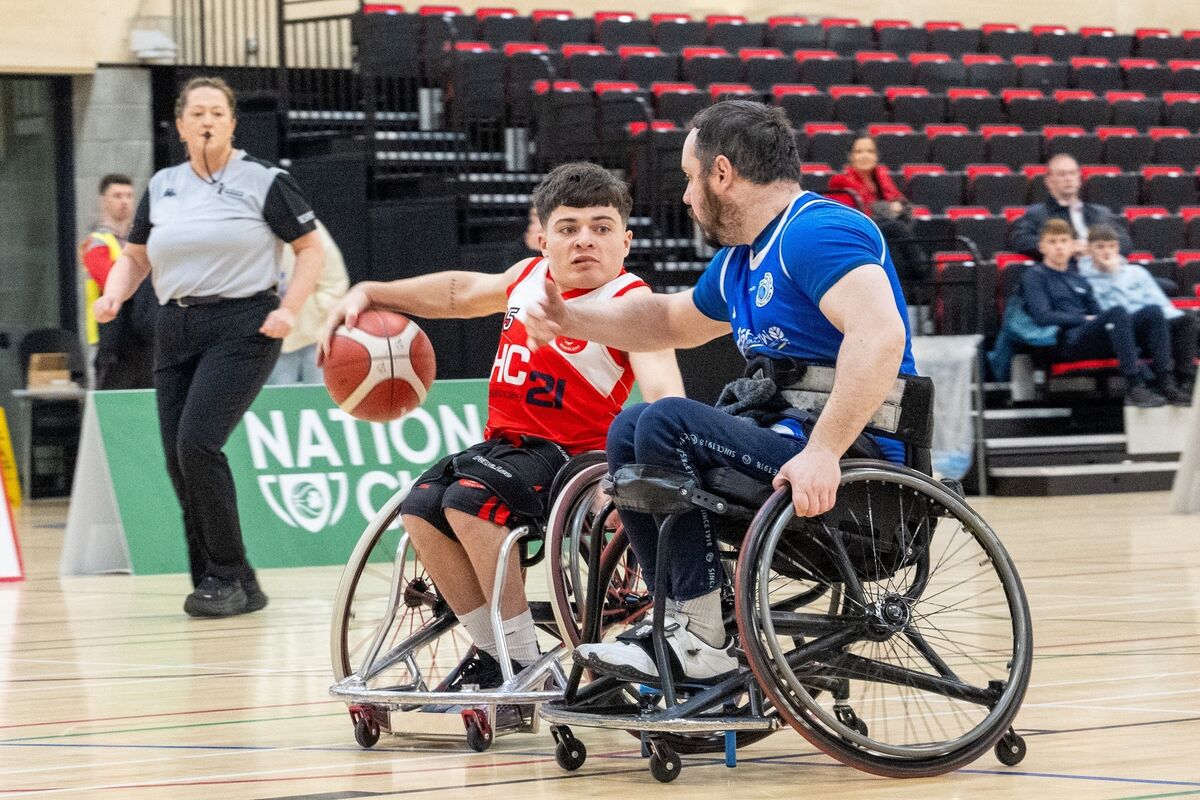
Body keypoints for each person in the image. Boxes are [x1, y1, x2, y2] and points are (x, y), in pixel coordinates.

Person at [523, 100, 919, 685]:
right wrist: (572, 320)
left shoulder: (817, 231)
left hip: (859, 461)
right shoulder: (742, 260)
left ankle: (701, 636)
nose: (686, 196)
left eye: (689, 177)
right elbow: (667, 321)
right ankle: (676, 623)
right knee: (630, 428)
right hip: (790, 439)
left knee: (667, 422)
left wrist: (825, 452)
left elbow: (880, 334)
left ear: (722, 173)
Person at [320, 162, 684, 687]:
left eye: (601, 228)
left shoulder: (633, 304)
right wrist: (374, 292)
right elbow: (457, 293)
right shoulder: (527, 277)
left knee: (471, 501)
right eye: (568, 229)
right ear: (544, 241)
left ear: (625, 242)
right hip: (506, 448)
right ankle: (496, 655)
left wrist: (642, 474)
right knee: (420, 506)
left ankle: (520, 660)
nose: (585, 241)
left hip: (572, 459)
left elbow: (663, 392)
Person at [94, 76, 324, 617]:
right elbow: (136, 256)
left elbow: (309, 249)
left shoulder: (265, 181)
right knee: (179, 460)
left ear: (231, 123)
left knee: (198, 444)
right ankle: (232, 578)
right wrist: (113, 297)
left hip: (243, 323)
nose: (206, 120)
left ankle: (224, 575)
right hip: (174, 325)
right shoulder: (164, 184)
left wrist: (289, 308)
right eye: (196, 112)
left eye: (217, 112)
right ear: (179, 126)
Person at [1021, 219, 1181, 407]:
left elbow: (1097, 311)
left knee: (1152, 311)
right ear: (1042, 246)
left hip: (1090, 333)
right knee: (1117, 313)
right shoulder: (1035, 275)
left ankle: (1166, 381)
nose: (1059, 247)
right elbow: (1042, 316)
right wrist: (1083, 318)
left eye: (1064, 241)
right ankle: (1135, 385)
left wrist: (1099, 318)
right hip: (1066, 340)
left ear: (1073, 246)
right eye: (1053, 242)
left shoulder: (1078, 276)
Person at [1079, 224, 1196, 403]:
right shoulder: (1085, 279)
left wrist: (1170, 323)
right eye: (1100, 246)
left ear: (1118, 248)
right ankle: (1162, 381)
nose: (1107, 252)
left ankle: (1184, 382)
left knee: (1187, 320)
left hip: (1152, 323)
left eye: (1111, 246)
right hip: (1119, 330)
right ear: (1089, 250)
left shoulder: (1136, 272)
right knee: (1150, 313)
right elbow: (1110, 313)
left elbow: (1162, 304)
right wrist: (1113, 275)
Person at [80, 174, 158, 389]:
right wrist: (137, 267)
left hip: (144, 338)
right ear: (104, 200)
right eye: (117, 195)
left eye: (129, 196)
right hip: (111, 340)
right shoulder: (95, 242)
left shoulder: (143, 241)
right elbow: (110, 279)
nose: (124, 201)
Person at [826, 134, 924, 281]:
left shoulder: (881, 177)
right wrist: (888, 210)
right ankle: (923, 271)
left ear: (876, 156)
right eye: (859, 152)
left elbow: (903, 205)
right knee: (896, 228)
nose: (865, 155)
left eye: (870, 151)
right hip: (858, 234)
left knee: (900, 235)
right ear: (851, 157)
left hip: (883, 235)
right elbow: (854, 217)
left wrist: (887, 210)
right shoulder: (840, 181)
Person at [266, 220, 349, 385]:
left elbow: (336, 282)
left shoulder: (307, 226)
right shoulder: (245, 229)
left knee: (323, 401)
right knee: (276, 405)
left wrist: (316, 315)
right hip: (268, 344)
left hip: (315, 340)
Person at [1009, 153, 1133, 260]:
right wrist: (1064, 247)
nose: (1068, 179)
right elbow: (1021, 240)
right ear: (1049, 181)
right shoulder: (1037, 214)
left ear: (1079, 179)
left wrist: (1097, 249)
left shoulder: (1101, 213)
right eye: (1062, 174)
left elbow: (1125, 242)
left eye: (1072, 173)